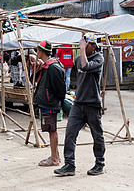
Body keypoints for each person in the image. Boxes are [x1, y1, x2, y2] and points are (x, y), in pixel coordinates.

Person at [55, 34, 106, 177]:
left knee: (97, 136)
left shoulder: (98, 58)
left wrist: (82, 50)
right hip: (78, 104)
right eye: (81, 43)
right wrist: (83, 51)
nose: (81, 45)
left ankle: (99, 164)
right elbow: (79, 75)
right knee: (70, 133)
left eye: (86, 44)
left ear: (93, 46)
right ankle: (69, 165)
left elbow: (85, 67)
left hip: (92, 104)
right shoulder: (77, 59)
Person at [33, 41, 66, 167]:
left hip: (50, 103)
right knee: (50, 129)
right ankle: (55, 155)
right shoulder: (47, 65)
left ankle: (54, 159)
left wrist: (54, 99)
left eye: (38, 50)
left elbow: (60, 89)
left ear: (41, 52)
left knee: (52, 130)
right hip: (48, 102)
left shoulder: (53, 67)